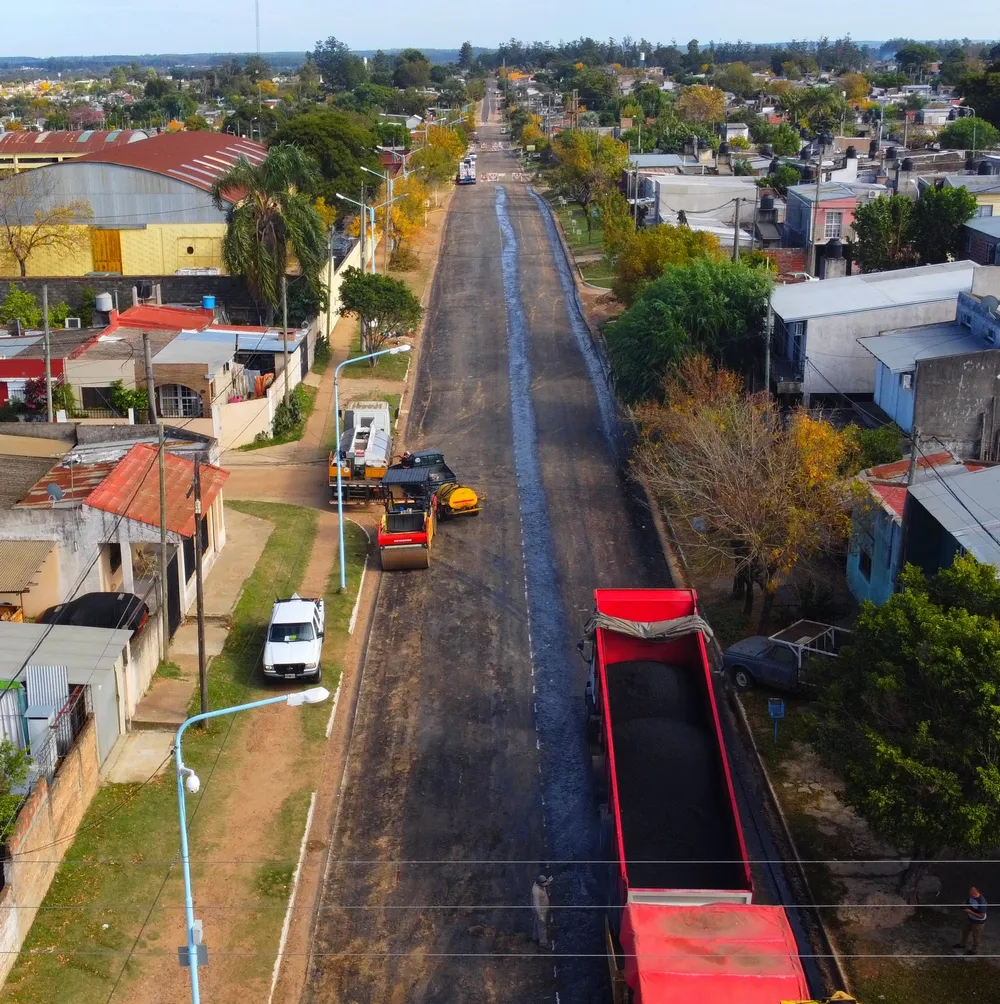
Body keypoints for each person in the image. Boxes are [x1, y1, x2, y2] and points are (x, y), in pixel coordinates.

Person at [955, 886, 987, 955]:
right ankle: (962, 944)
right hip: (970, 919)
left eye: (971, 894)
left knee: (976, 937)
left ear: (976, 894)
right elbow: (967, 901)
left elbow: (982, 916)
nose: (970, 895)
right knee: (964, 931)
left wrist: (970, 911)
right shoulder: (971, 897)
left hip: (978, 922)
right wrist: (963, 905)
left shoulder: (982, 902)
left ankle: (974, 950)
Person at [531, 873, 553, 949]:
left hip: (543, 908)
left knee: (536, 923)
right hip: (540, 910)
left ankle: (535, 937)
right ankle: (543, 942)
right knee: (542, 926)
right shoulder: (536, 891)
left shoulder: (540, 884)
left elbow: (545, 883)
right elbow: (536, 905)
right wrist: (541, 916)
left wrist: (549, 880)